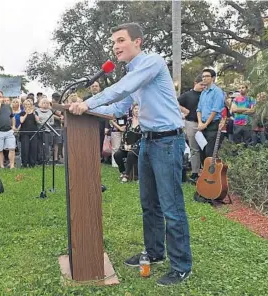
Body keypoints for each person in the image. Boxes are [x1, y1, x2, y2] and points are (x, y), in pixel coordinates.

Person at [69, 22, 192, 286]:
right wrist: (85, 110)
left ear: (138, 42)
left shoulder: (152, 62)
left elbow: (122, 88)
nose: (115, 47)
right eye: (114, 42)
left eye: (121, 40)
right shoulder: (133, 72)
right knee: (149, 204)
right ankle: (156, 253)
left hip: (167, 141)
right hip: (147, 141)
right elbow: (121, 104)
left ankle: (182, 265)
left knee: (171, 206)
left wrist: (88, 102)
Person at [178, 75, 205, 182]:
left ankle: (205, 171)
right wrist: (185, 110)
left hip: (205, 124)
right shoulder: (187, 95)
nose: (203, 87)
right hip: (192, 123)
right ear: (195, 83)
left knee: (205, 148)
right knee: (194, 149)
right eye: (201, 84)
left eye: (204, 85)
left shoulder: (206, 94)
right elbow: (175, 102)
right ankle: (195, 172)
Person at [196, 69, 225, 164]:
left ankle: (211, 176)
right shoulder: (203, 92)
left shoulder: (217, 91)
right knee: (202, 152)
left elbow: (215, 110)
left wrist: (206, 124)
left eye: (207, 76)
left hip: (212, 125)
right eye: (203, 76)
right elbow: (199, 109)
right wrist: (200, 122)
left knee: (210, 153)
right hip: (202, 125)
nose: (204, 78)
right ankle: (204, 175)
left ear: (213, 78)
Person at [0, 91, 16, 169]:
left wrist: (13, 125)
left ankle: (12, 166)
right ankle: (2, 166)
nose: (0, 98)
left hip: (8, 131)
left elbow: (12, 117)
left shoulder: (8, 106)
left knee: (12, 148)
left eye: (1, 96)